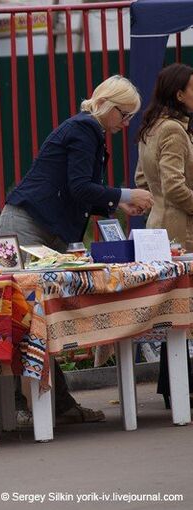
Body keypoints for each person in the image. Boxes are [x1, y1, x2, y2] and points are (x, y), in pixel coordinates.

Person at [0, 74, 154, 426]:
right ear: (110, 107)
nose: (125, 124)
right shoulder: (87, 129)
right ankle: (26, 403)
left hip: (42, 224)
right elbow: (81, 186)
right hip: (30, 224)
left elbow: (79, 190)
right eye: (125, 115)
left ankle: (56, 404)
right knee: (30, 316)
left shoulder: (88, 129)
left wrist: (117, 204)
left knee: (45, 318)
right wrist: (126, 195)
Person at [134, 63, 193, 406]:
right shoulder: (173, 130)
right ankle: (176, 389)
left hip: (158, 225)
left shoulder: (152, 127)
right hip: (180, 227)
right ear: (179, 93)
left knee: (174, 309)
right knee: (184, 307)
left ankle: (174, 388)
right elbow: (175, 186)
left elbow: (144, 180)